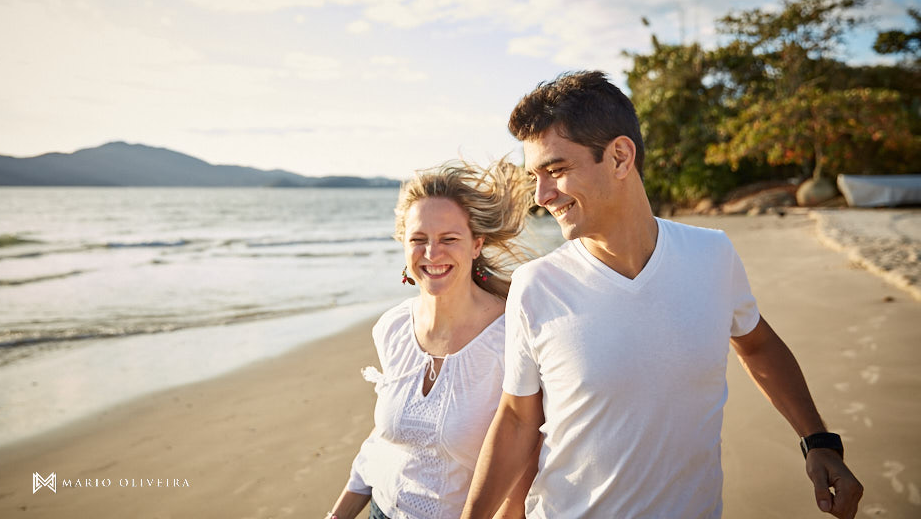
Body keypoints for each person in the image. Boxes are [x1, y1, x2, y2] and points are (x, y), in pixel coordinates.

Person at [460, 71, 864, 519]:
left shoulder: (712, 255)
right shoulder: (537, 286)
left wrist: (818, 442)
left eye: (556, 170)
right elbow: (517, 419)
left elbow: (758, 344)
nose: (542, 195)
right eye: (535, 176)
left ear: (619, 157)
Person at [326, 160, 538, 519]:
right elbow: (384, 440)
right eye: (418, 239)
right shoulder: (393, 327)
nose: (431, 253)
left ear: (476, 245)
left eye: (448, 239)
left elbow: (523, 468)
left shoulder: (513, 334)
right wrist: (338, 514)